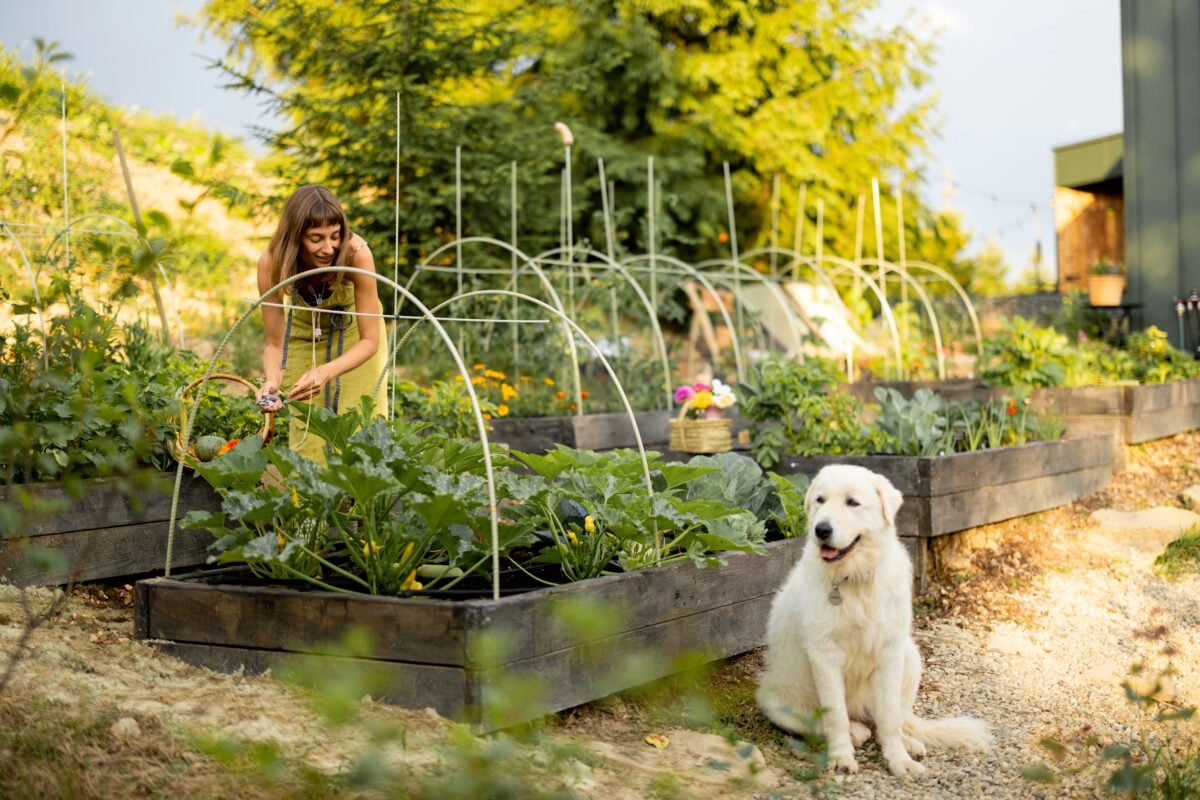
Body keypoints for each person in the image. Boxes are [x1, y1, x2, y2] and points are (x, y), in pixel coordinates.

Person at [255, 184, 389, 462]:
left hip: (355, 332)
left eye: (335, 236)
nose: (328, 248)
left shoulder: (357, 253)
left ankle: (357, 501)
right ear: (295, 237)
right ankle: (311, 499)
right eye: (316, 238)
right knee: (308, 428)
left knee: (360, 425)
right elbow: (274, 342)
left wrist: (326, 371)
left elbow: (371, 341)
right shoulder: (272, 262)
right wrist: (271, 379)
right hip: (305, 330)